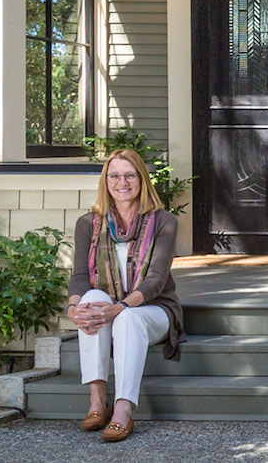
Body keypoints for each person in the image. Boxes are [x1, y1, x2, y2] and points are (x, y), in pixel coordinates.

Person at [65, 149, 184, 443]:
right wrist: (73, 308)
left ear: (142, 180)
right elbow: (80, 275)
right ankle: (96, 401)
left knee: (128, 318)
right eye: (114, 175)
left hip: (154, 311)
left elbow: (156, 280)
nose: (123, 182)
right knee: (90, 299)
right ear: (106, 181)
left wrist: (118, 308)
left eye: (130, 175)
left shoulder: (163, 222)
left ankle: (122, 409)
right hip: (110, 309)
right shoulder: (88, 224)